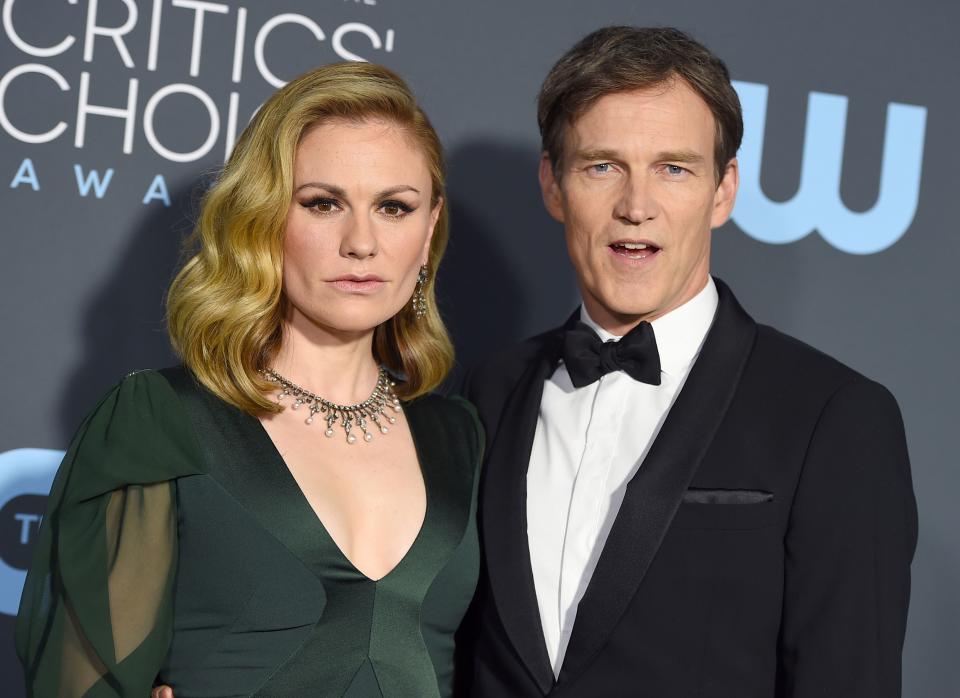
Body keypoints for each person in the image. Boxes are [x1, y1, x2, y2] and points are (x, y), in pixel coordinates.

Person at [458, 26, 917, 697]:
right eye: (601, 166)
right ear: (553, 186)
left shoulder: (833, 417)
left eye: (673, 168)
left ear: (723, 191)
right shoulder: (488, 390)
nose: (636, 207)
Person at [16, 62, 483, 698]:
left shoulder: (464, 437)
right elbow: (81, 680)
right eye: (323, 203)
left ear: (428, 233)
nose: (362, 242)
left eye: (394, 207)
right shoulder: (158, 420)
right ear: (262, 220)